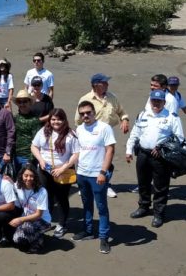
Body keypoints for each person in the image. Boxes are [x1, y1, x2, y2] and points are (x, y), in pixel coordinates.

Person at [126, 90, 185, 228]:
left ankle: (159, 213)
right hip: (143, 154)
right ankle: (144, 207)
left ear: (164, 102)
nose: (156, 103)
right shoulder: (142, 115)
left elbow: (179, 138)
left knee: (160, 186)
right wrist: (129, 150)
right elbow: (135, 134)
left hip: (161, 157)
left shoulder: (172, 117)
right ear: (150, 101)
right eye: (154, 101)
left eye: (159, 101)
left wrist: (162, 147)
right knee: (143, 183)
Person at [75, 73, 131, 199]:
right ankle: (85, 185)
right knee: (88, 160)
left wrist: (125, 120)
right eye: (104, 83)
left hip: (106, 135)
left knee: (107, 161)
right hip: (90, 136)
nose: (107, 84)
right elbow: (78, 121)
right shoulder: (86, 99)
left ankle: (105, 184)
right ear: (96, 85)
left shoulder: (111, 97)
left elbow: (122, 112)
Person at [74, 101, 116, 254]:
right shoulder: (79, 129)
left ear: (94, 112)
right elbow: (77, 151)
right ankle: (88, 230)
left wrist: (103, 172)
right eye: (82, 113)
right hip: (82, 173)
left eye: (88, 112)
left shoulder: (104, 128)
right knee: (86, 204)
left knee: (102, 207)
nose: (85, 115)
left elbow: (110, 150)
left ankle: (104, 237)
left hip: (97, 175)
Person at [31, 109, 79, 239]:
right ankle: (46, 221)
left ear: (64, 120)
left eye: (59, 119)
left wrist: (63, 168)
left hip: (62, 171)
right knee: (46, 197)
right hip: (44, 170)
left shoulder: (71, 135)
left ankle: (62, 224)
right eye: (53, 119)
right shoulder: (43, 131)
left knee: (62, 198)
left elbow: (76, 154)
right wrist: (40, 160)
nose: (56, 122)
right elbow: (34, 146)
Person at [10, 164, 51, 253]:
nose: (28, 178)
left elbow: (38, 214)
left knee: (27, 227)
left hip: (42, 219)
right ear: (21, 176)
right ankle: (36, 235)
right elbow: (12, 185)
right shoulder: (18, 185)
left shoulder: (42, 191)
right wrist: (8, 180)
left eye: (31, 176)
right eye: (26, 175)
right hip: (27, 218)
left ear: (35, 177)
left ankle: (39, 242)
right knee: (17, 239)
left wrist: (20, 219)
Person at [13, 90, 42, 169]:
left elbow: (37, 142)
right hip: (15, 156)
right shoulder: (15, 118)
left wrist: (31, 159)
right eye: (19, 102)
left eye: (25, 101)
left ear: (29, 102)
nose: (22, 104)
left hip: (28, 157)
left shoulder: (35, 120)